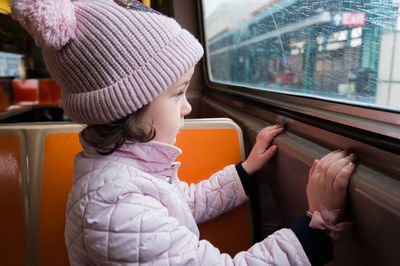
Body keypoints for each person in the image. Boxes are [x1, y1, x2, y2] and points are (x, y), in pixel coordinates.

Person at [11, 0, 356, 265]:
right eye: (177, 94)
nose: (187, 107)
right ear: (128, 105)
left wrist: (245, 172)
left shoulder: (126, 174)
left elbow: (182, 203)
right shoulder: (114, 204)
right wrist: (316, 227)